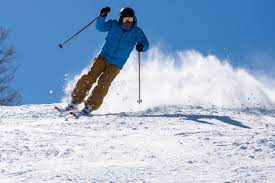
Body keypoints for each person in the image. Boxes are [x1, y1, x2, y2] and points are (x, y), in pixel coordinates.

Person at [66, 7, 149, 115]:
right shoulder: (113, 25)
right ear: (121, 19)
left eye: (130, 20)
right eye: (125, 20)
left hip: (116, 64)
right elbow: (100, 27)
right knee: (90, 77)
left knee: (104, 83)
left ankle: (90, 106)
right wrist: (102, 16)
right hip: (103, 57)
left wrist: (141, 46)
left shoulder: (136, 32)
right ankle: (75, 101)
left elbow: (146, 44)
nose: (128, 22)